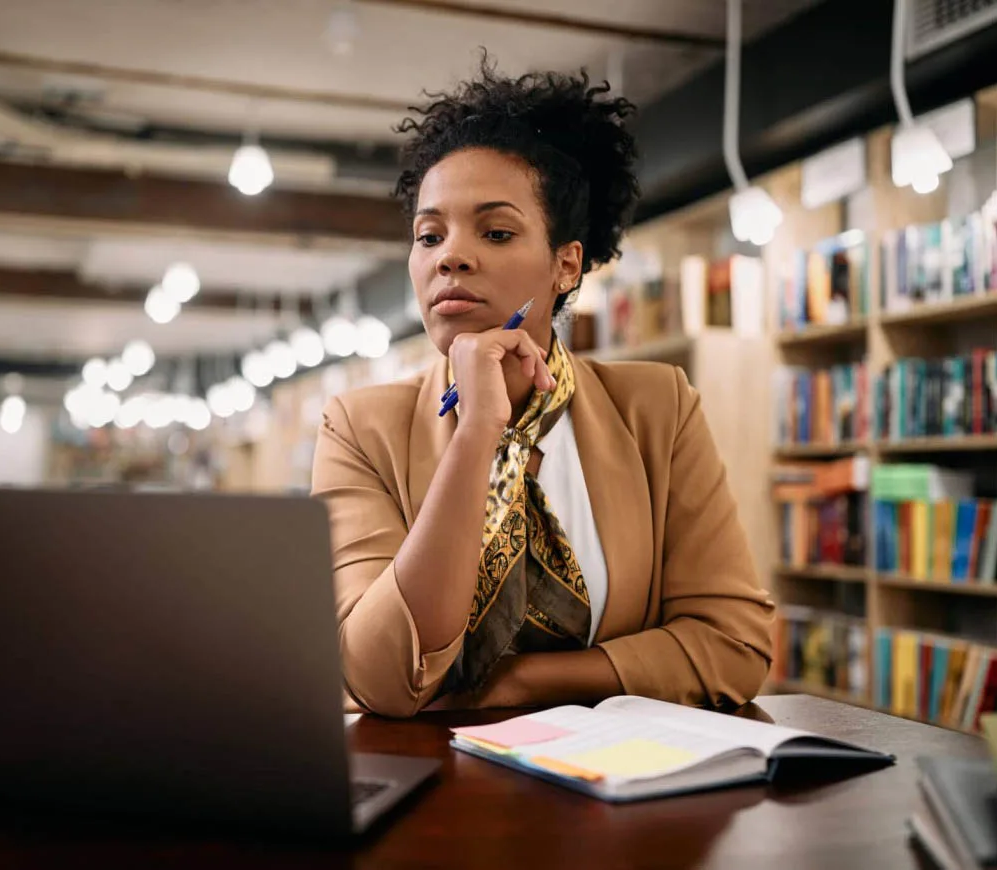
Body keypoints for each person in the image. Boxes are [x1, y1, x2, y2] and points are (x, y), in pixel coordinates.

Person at [311, 62, 775, 718]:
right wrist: (476, 436)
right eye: (428, 235)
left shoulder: (657, 408)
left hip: (623, 793)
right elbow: (382, 677)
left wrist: (522, 684)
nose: (449, 256)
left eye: (495, 231)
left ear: (566, 263)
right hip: (432, 798)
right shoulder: (359, 426)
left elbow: (733, 644)